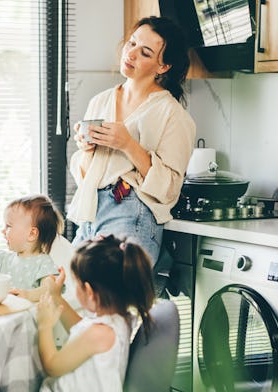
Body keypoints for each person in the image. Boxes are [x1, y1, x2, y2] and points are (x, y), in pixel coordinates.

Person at [68, 16, 196, 266]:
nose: (132, 54)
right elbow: (84, 175)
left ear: (163, 67)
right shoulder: (100, 101)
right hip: (91, 211)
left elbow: (170, 188)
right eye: (132, 43)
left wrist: (128, 144)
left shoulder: (172, 114)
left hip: (131, 212)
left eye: (146, 52)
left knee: (114, 300)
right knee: (74, 295)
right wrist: (87, 150)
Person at [0, 234, 156, 392]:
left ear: (90, 292)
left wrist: (45, 325)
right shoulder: (118, 320)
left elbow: (52, 366)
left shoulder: (100, 334)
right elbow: (80, 327)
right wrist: (56, 296)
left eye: (76, 284)